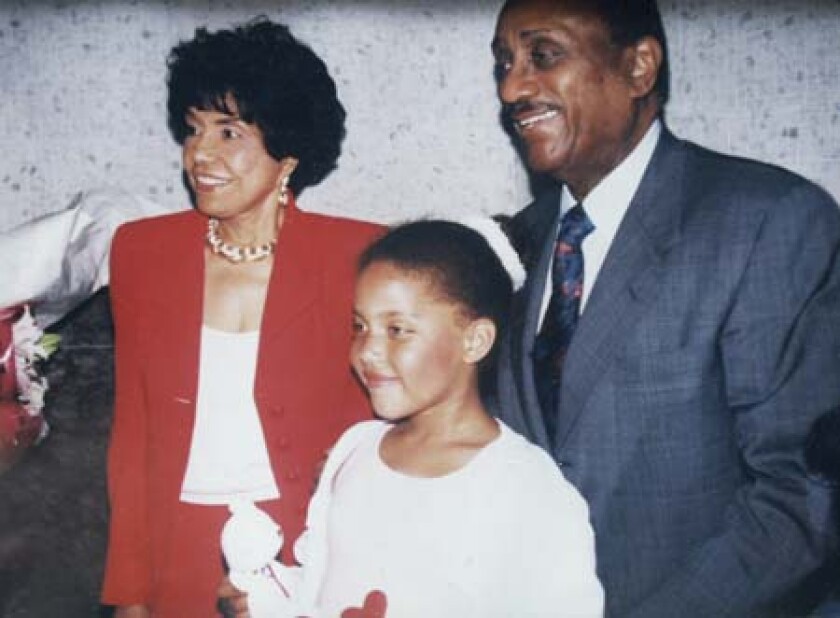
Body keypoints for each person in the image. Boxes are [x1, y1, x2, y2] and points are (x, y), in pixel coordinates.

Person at [491, 1, 840, 616]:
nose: (513, 87)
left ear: (639, 67)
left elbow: (801, 497)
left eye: (543, 55)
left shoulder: (769, 221)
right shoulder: (515, 242)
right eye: (505, 63)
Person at [101, 18, 381, 617]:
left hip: (307, 552)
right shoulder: (141, 253)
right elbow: (133, 437)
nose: (201, 153)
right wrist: (130, 595)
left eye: (230, 132)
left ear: (286, 154)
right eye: (194, 129)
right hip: (176, 546)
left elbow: (378, 438)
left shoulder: (357, 259)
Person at [219, 219, 604, 617]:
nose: (367, 350)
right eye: (360, 326)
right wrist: (270, 599)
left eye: (397, 330)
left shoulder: (526, 485)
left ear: (474, 340)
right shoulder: (354, 450)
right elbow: (323, 582)